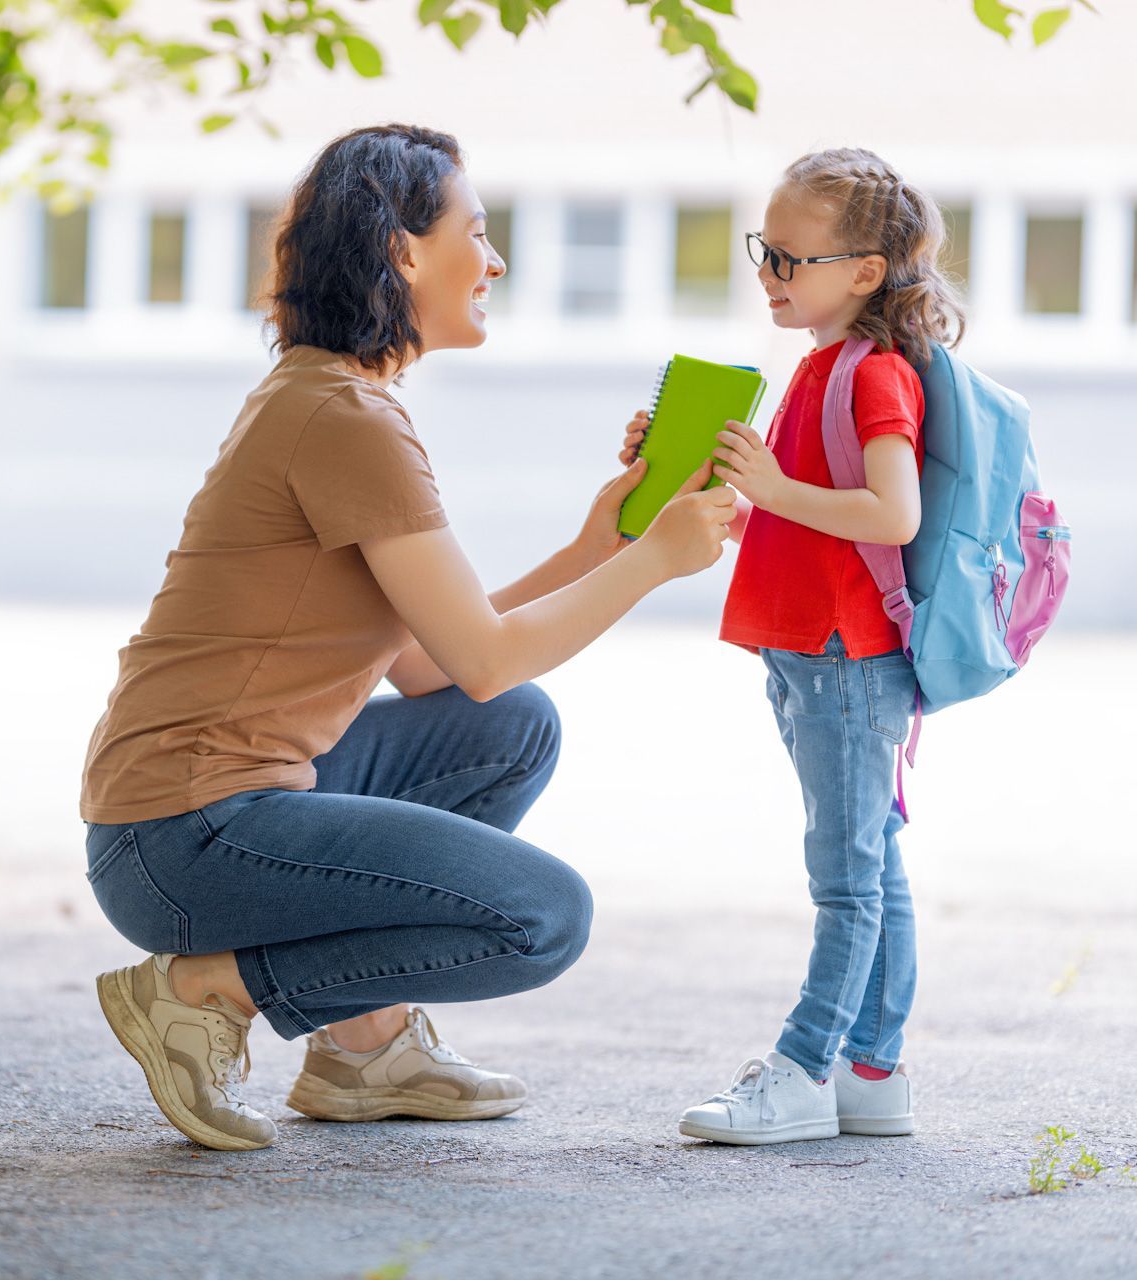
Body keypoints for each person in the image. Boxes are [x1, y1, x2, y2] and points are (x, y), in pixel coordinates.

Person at [80, 124, 737, 1151]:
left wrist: (597, 543)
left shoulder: (331, 397)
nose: (496, 260)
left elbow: (442, 666)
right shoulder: (348, 419)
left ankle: (362, 1047)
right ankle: (209, 989)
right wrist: (652, 561)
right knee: (542, 916)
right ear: (403, 252)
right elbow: (481, 654)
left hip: (204, 808)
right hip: (183, 835)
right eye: (476, 232)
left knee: (508, 728)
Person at [630, 147, 964, 1144]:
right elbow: (809, 515)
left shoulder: (874, 376)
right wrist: (727, 493)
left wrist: (772, 489)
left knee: (847, 875)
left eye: (790, 258)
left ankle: (805, 1066)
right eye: (763, 252)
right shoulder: (821, 367)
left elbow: (891, 513)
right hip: (812, 652)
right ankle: (871, 1068)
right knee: (873, 862)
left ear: (865, 270)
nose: (770, 275)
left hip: (846, 656)